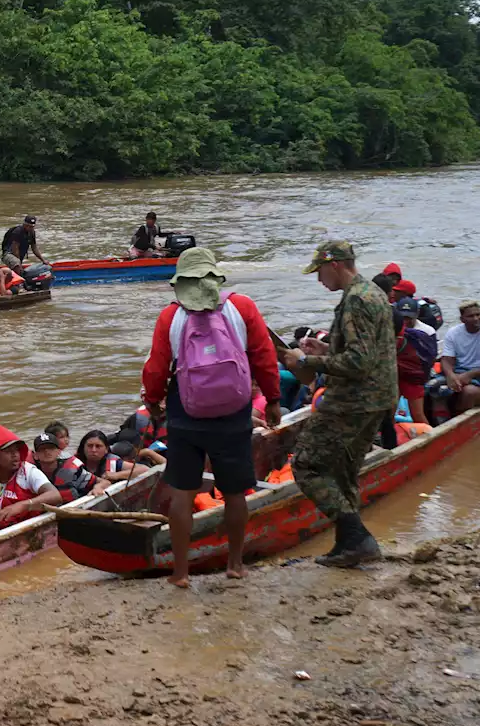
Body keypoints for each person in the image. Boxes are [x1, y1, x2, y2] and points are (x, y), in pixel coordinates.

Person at [140, 248, 281, 586]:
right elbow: (264, 355)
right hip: (233, 412)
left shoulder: (170, 317)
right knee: (234, 493)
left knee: (182, 493)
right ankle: (235, 565)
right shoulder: (241, 307)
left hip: (186, 414)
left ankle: (181, 573)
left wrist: (154, 401)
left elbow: (156, 367)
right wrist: (273, 399)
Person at [280, 240, 397, 567]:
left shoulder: (357, 300)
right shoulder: (373, 292)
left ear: (335, 265)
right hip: (378, 398)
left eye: (319, 271)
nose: (319, 280)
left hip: (352, 399)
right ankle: (350, 545)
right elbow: (368, 351)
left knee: (306, 464)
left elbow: (359, 362)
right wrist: (327, 349)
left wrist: (306, 360)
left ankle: (356, 536)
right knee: (344, 473)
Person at [0, 425, 64, 529]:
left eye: (17, 450)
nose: (15, 455)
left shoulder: (28, 472)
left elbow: (55, 496)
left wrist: (24, 505)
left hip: (29, 530)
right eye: (9, 451)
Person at [32, 432, 109, 502]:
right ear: (35, 455)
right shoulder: (31, 473)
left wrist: (97, 487)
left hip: (75, 508)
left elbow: (104, 482)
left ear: (59, 452)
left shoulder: (71, 471)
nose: (47, 451)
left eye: (51, 448)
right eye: (42, 449)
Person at [394, 298, 436, 424]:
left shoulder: (427, 331)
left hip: (414, 377)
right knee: (388, 413)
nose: (405, 321)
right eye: (403, 317)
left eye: (409, 317)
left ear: (417, 314)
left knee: (417, 414)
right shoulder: (393, 327)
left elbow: (430, 358)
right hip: (395, 375)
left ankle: (430, 438)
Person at [75, 430, 143, 482]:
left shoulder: (113, 463)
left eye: (98, 446)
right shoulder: (74, 463)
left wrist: (117, 475)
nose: (93, 450)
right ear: (83, 448)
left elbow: (144, 469)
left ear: (106, 449)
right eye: (90, 446)